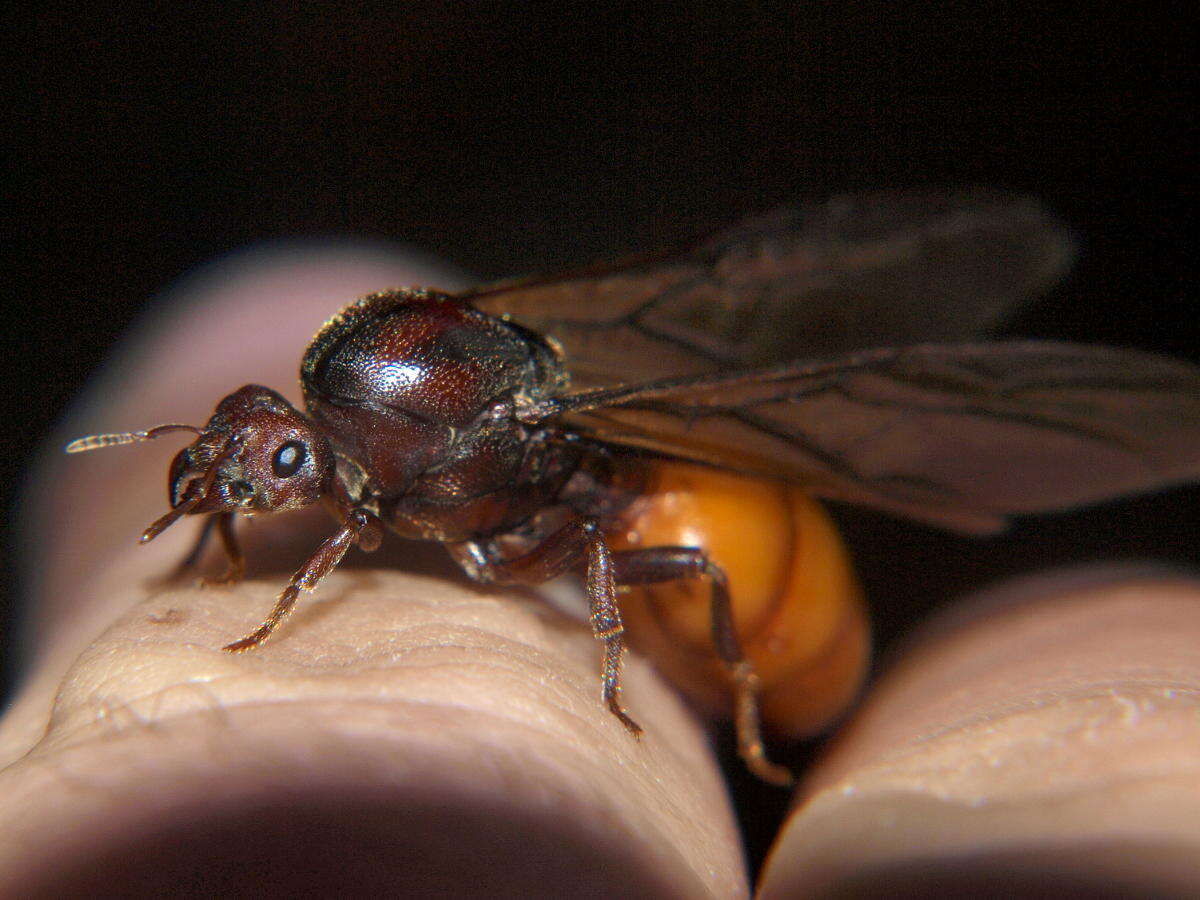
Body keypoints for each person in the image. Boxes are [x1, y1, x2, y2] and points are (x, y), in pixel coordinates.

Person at [3, 244, 1198, 897]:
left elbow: (571, 538)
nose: (257, 481)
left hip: (732, 552)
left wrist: (614, 664)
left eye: (267, 465)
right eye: (255, 456)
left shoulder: (435, 449)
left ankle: (736, 701)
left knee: (639, 542)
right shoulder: (360, 433)